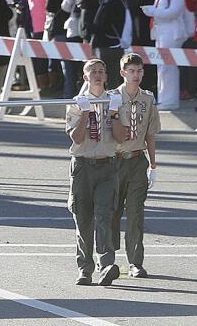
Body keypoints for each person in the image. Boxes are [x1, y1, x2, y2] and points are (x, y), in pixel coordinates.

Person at [65, 58, 121, 287]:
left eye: (101, 71)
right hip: (83, 167)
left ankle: (106, 265)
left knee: (104, 216)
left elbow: (121, 137)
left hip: (107, 165)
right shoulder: (76, 104)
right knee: (83, 219)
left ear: (106, 76)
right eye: (93, 71)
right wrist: (86, 113)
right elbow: (76, 138)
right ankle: (84, 268)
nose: (97, 74)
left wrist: (116, 114)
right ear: (85, 76)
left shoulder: (114, 101)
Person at [109, 53, 160, 279]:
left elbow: (150, 133)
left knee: (136, 213)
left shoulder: (147, 99)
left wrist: (153, 165)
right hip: (115, 160)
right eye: (131, 71)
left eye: (139, 71)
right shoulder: (112, 98)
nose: (136, 75)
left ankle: (135, 262)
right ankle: (107, 258)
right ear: (123, 73)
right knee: (112, 210)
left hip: (138, 160)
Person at [141, 0, 188, 109]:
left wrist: (152, 11)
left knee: (169, 67)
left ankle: (170, 100)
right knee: (162, 66)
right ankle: (163, 98)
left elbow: (174, 12)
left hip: (171, 33)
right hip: (162, 32)